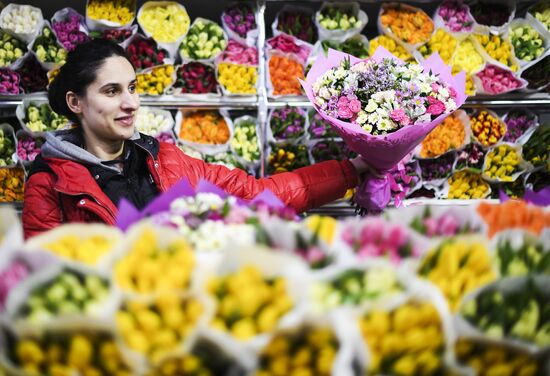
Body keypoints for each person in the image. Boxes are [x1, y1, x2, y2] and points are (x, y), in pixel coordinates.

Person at [23, 39, 369, 239]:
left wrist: (352, 170)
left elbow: (255, 194)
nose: (130, 103)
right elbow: (48, 279)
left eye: (132, 88)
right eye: (112, 91)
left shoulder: (164, 159)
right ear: (75, 102)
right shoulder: (50, 183)